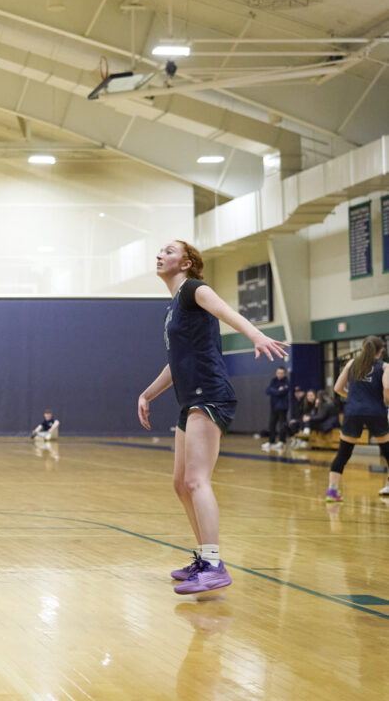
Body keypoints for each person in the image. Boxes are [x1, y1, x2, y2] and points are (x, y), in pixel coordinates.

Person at [137, 240, 287, 595]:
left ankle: (215, 565)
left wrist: (255, 334)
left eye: (169, 251)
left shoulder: (194, 289)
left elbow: (224, 311)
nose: (160, 254)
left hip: (209, 394)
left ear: (187, 263)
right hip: (189, 399)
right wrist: (147, 394)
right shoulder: (173, 307)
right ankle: (205, 559)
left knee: (196, 481)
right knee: (180, 484)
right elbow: (176, 362)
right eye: (160, 250)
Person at [325, 336, 389, 501]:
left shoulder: (351, 363)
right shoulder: (384, 366)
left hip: (353, 412)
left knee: (343, 453)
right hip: (376, 411)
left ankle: (332, 491)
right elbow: (387, 387)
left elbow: (338, 388)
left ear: (363, 347)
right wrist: (385, 402)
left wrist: (352, 397)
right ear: (381, 350)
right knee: (387, 451)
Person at [262, 367, 289, 452]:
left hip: (282, 407)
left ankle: (282, 441)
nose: (279, 374)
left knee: (282, 425)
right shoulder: (273, 380)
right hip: (273, 407)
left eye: (281, 373)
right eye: (278, 372)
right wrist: (276, 390)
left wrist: (274, 391)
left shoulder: (286, 382)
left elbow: (281, 392)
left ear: (284, 374)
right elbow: (267, 390)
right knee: (272, 424)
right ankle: (271, 441)